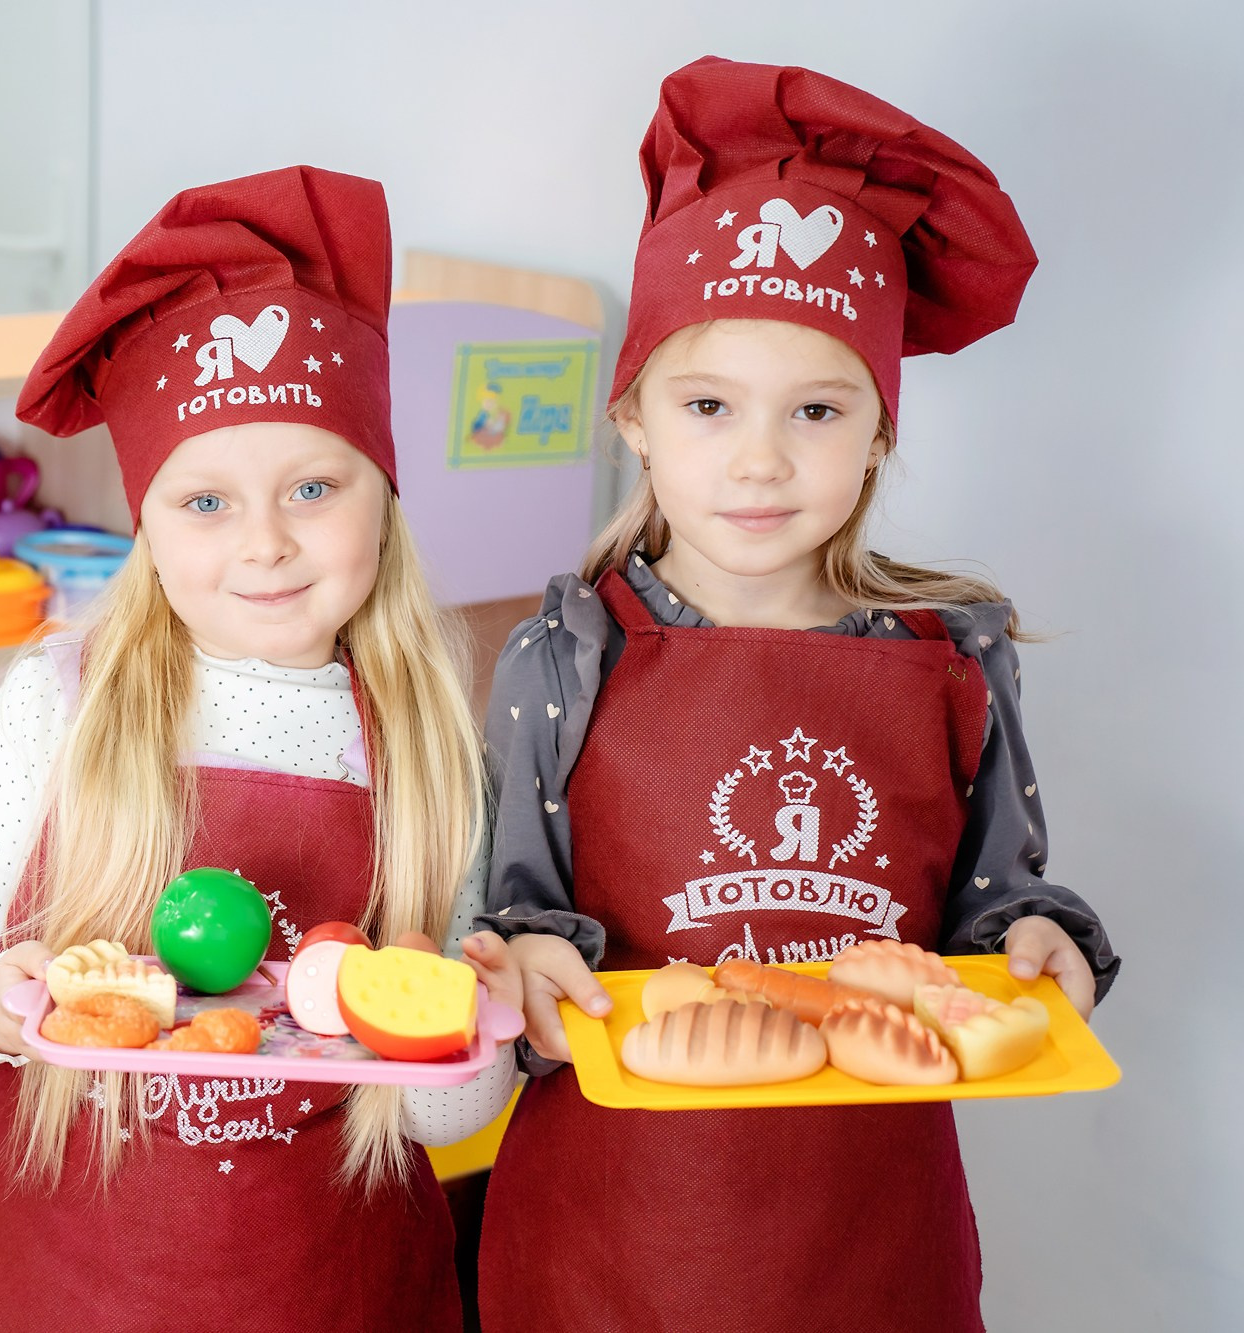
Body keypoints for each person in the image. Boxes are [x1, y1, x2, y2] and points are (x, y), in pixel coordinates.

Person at [471, 57, 1121, 1333]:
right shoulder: (562, 653)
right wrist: (517, 968)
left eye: (816, 409)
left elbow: (991, 910)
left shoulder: (954, 653)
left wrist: (1041, 938)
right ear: (636, 419)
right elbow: (496, 915)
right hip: (613, 1236)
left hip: (868, 1234)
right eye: (707, 404)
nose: (759, 458)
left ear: (879, 429)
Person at [0, 166, 517, 1332]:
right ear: (144, 525)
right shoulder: (56, 702)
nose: (265, 543)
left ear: (382, 497)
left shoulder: (431, 750)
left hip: (326, 1289)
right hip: (59, 1287)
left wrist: (465, 1024)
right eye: (205, 502)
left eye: (312, 487)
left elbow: (443, 1118)